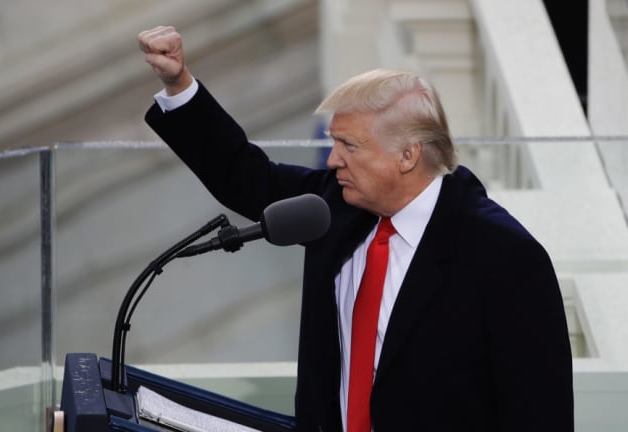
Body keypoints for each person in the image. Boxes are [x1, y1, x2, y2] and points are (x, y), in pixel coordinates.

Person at [138, 26, 574, 431]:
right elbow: (245, 175)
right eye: (333, 142)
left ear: (407, 155)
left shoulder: (506, 257)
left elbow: (539, 415)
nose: (331, 160)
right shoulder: (334, 205)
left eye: (349, 145)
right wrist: (180, 87)